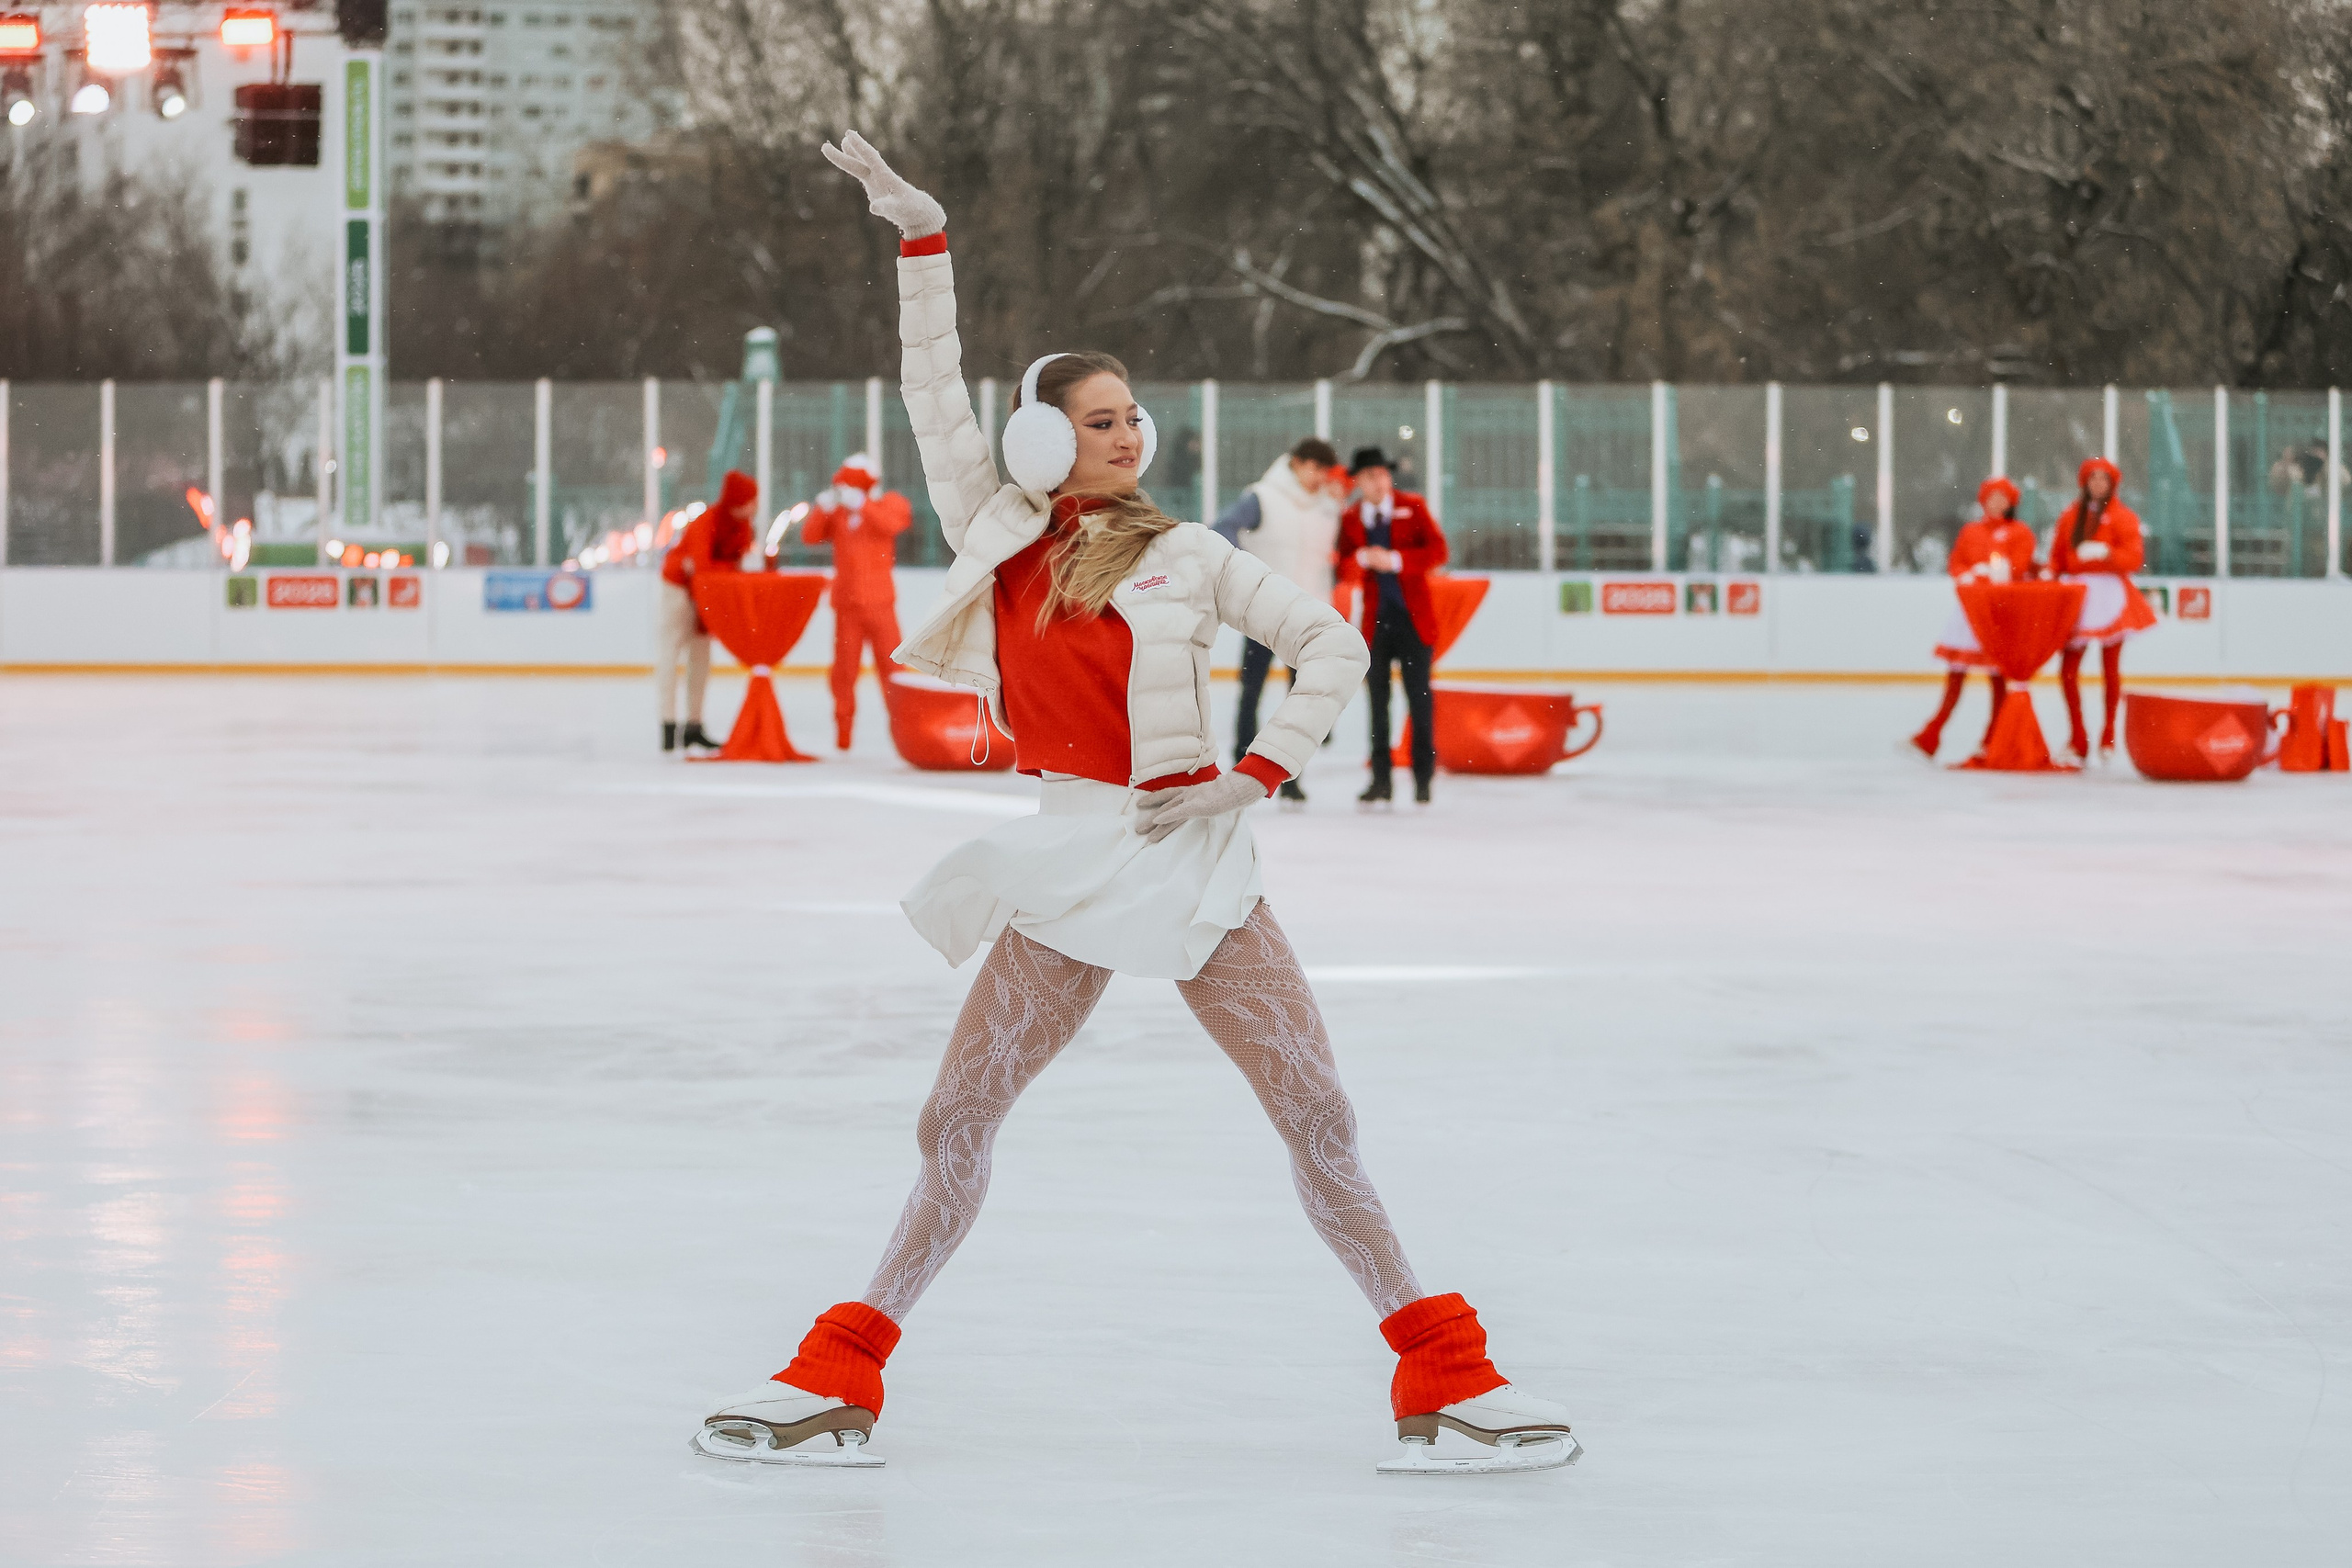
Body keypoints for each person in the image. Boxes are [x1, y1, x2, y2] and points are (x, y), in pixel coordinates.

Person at [692, 132, 1577, 1478]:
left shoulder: (1185, 553)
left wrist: (1255, 771)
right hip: (1073, 860)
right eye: (1099, 418)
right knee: (955, 1123)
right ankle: (841, 1372)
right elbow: (934, 388)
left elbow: (1331, 648)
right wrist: (920, 240)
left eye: (1131, 415)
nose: (1128, 433)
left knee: (1318, 1115)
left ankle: (1446, 1374)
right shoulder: (995, 527)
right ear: (1044, 438)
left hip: (1194, 860)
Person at [1213, 436, 1343, 803]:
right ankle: (1242, 758)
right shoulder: (1262, 497)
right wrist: (1246, 576)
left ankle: (1289, 773)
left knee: (1302, 698)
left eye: (1324, 470)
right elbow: (1222, 527)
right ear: (1297, 464)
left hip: (1310, 617)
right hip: (1266, 611)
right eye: (1314, 468)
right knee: (1251, 688)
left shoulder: (1328, 506)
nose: (1319, 477)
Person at [1336, 446, 1450, 807]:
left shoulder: (1412, 506)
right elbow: (1342, 567)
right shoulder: (1352, 519)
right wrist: (1359, 560)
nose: (1378, 481)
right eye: (1370, 475)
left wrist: (1397, 560)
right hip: (1376, 624)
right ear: (1358, 482)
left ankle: (1422, 778)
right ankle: (1381, 779)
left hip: (1414, 622)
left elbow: (1438, 552)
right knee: (1378, 703)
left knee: (1420, 700)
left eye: (1383, 474)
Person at [1910, 477, 2039, 761]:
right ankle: (1931, 734)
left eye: (2002, 498)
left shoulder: (2020, 532)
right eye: (1992, 497)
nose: (1996, 503)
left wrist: (1994, 572)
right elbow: (1957, 562)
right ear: (1983, 501)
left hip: (2000, 612)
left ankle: (1992, 738)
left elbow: (2019, 567)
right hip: (1970, 610)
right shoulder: (1971, 532)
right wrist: (1967, 575)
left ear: (2011, 502)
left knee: (1997, 679)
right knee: (1956, 676)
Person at [800, 454, 914, 750]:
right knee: (843, 673)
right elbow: (810, 537)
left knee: (894, 673)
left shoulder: (889, 503)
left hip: (880, 604)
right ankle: (843, 734)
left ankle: (906, 732)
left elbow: (893, 525)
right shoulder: (838, 514)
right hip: (847, 607)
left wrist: (863, 506)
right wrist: (821, 510)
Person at [2051, 457, 2158, 762]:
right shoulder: (2070, 516)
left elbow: (2134, 558)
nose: (2098, 484)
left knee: (2110, 668)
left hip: (2109, 594)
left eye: (2104, 479)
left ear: (2112, 484)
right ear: (2084, 482)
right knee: (2068, 671)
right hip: (2077, 596)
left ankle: (2108, 734)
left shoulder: (2123, 517)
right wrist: (2051, 573)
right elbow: (2059, 556)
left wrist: (2107, 552)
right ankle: (2077, 738)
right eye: (2092, 478)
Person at [657, 469, 756, 752]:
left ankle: (694, 725)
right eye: (749, 500)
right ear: (736, 501)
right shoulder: (707, 522)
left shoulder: (743, 527)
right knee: (671, 654)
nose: (753, 506)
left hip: (707, 597)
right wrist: (718, 571)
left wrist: (719, 571)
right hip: (678, 589)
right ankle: (668, 724)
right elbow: (702, 568)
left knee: (701, 659)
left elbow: (724, 568)